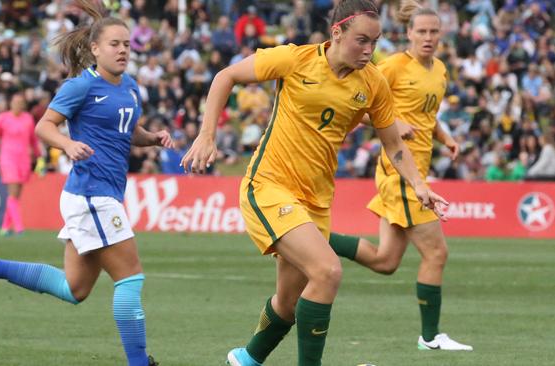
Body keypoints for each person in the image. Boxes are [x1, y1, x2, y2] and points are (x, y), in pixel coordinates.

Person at [181, 1, 447, 365]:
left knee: (289, 304)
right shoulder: (295, 59)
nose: (369, 50)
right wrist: (207, 135)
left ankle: (245, 359)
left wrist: (418, 185)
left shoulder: (373, 83)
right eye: (362, 40)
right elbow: (225, 76)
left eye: (376, 41)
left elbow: (393, 144)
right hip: (269, 186)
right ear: (336, 33)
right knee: (327, 271)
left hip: (316, 200)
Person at [0, 1, 173, 365]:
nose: (122, 51)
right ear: (95, 49)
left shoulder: (131, 87)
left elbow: (127, 130)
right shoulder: (80, 86)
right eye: (115, 44)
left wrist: (151, 138)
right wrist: (68, 143)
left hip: (98, 195)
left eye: (127, 45)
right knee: (130, 277)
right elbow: (45, 126)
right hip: (92, 195)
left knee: (76, 289)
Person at [328, 0, 473, 351]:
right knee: (437, 253)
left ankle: (314, 239)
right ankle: (430, 337)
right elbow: (357, 104)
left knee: (386, 261)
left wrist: (445, 137)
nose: (427, 37)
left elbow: (427, 114)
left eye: (433, 32)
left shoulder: (439, 70)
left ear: (442, 34)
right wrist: (391, 123)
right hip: (399, 171)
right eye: (421, 31)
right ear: (408, 33)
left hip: (418, 167)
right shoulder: (391, 67)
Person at [0, 93, 44, 236]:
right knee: (12, 192)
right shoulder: (2, 118)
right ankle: (19, 227)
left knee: (16, 195)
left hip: (23, 159)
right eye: (15, 101)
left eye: (20, 102)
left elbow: (33, 141)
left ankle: (5, 227)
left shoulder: (28, 119)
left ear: (23, 104)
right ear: (10, 103)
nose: (17, 104)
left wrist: (40, 158)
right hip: (7, 158)